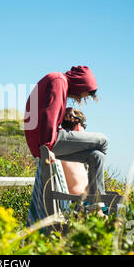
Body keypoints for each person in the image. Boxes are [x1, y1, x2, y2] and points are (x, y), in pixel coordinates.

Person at [24, 66, 108, 197]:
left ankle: (96, 203)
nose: (77, 98)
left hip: (42, 139)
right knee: (103, 140)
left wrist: (65, 111)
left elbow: (46, 109)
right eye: (80, 95)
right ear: (80, 85)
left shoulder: (58, 81)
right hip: (46, 140)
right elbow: (49, 114)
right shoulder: (59, 80)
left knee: (97, 156)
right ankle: (95, 201)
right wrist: (46, 147)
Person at [60, 108, 88, 196]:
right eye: (85, 126)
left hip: (83, 200)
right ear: (79, 126)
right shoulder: (75, 151)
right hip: (81, 201)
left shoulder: (60, 147)